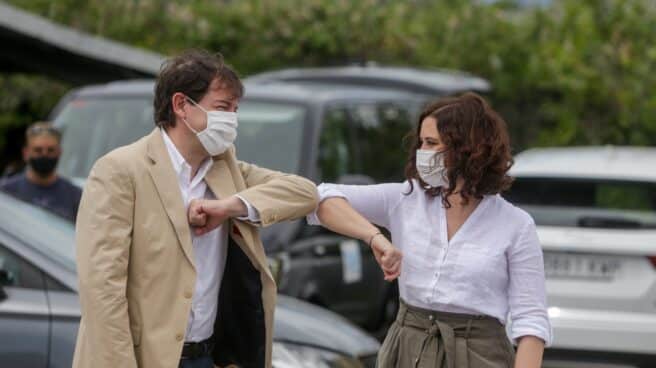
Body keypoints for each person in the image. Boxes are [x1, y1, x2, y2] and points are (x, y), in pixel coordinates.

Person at [73, 50, 318, 368]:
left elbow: (305, 193)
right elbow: (102, 289)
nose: (231, 119)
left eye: (235, 110)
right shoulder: (120, 170)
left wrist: (229, 206)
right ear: (181, 106)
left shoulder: (225, 169)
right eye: (222, 108)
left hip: (206, 357)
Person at [307, 92, 552, 368]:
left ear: (468, 149)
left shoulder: (515, 224)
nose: (422, 152)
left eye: (432, 143)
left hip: (480, 354)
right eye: (421, 143)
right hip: (409, 348)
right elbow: (319, 198)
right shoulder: (405, 199)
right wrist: (373, 237)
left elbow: (531, 321)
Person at [0, 122, 81, 221]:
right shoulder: (6, 192)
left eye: (50, 150)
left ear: (59, 152)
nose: (44, 155)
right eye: (38, 150)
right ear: (26, 153)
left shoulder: (75, 197)